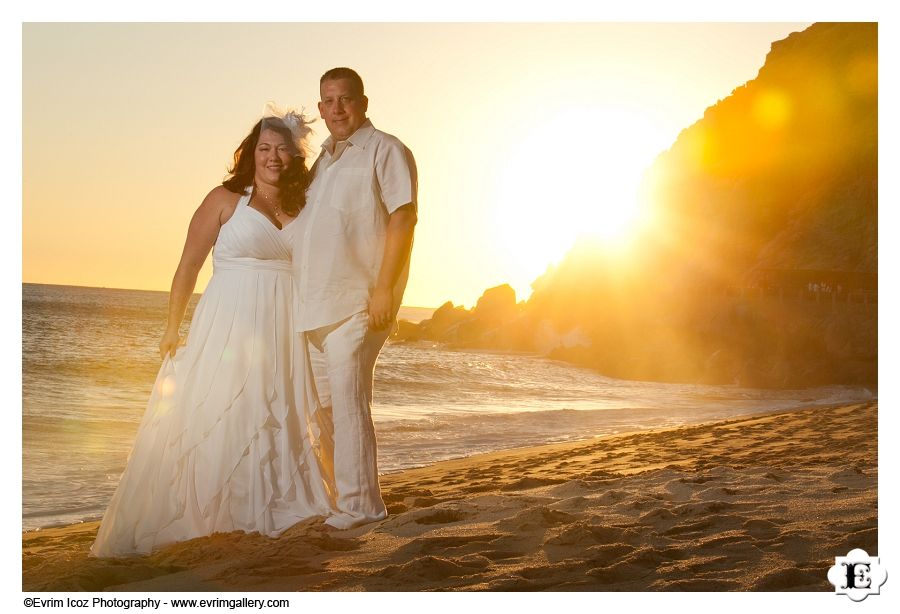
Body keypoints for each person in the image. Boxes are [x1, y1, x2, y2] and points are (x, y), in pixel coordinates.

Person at [90, 109, 335, 557]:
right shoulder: (225, 199)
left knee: (276, 407)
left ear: (294, 156)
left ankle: (272, 503)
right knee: (222, 408)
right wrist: (171, 327)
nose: (273, 157)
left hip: (283, 326)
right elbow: (188, 265)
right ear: (250, 153)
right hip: (229, 319)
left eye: (282, 149)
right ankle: (213, 511)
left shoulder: (305, 205)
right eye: (264, 148)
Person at [291, 67, 417, 529]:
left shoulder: (386, 149)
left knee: (347, 405)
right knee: (321, 410)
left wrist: (384, 289)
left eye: (345, 99)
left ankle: (362, 507)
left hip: (359, 301)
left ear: (363, 102)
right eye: (328, 101)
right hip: (317, 306)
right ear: (320, 109)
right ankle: (337, 497)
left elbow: (403, 219)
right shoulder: (322, 162)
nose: (337, 108)